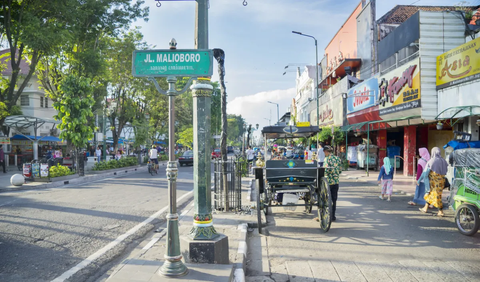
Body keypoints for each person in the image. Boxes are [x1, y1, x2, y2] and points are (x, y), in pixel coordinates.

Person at [418, 147, 448, 217]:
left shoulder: (431, 161)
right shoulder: (444, 161)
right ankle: (425, 208)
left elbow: (425, 172)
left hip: (434, 183)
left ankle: (441, 211)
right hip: (441, 182)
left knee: (437, 196)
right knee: (431, 195)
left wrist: (420, 180)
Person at [319, 145, 342, 221]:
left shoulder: (327, 159)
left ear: (325, 152)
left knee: (327, 200)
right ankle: (333, 216)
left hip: (328, 182)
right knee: (334, 199)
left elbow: (326, 170)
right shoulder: (337, 159)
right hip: (336, 182)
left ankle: (326, 215)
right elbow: (340, 170)